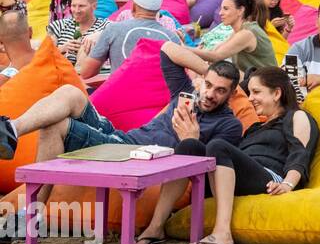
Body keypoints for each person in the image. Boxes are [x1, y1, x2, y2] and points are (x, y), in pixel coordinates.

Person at [0, 60, 243, 211]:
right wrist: (207, 67)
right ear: (201, 81)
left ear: (231, 94)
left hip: (133, 157)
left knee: (55, 126)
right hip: (122, 138)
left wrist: (191, 137)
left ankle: (31, 215)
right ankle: (11, 130)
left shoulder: (229, 124)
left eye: (220, 90)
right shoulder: (184, 92)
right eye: (208, 85)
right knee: (70, 92)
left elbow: (209, 165)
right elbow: (168, 50)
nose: (211, 94)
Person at [162, 67, 318, 244]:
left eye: (256, 92)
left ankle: (222, 232)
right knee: (190, 146)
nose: (250, 98)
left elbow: (299, 153)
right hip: (241, 178)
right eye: (250, 92)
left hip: (271, 179)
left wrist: (288, 183)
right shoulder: (256, 127)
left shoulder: (296, 116)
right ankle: (155, 227)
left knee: (218, 146)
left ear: (277, 93)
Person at [165, 0, 276, 81]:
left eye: (226, 9)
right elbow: (215, 51)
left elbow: (216, 55)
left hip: (265, 84)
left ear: (240, 10)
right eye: (221, 8)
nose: (220, 13)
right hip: (254, 79)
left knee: (218, 72)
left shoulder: (247, 33)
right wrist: (187, 47)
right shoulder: (238, 31)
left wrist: (183, 49)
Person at [77, 0, 180, 78]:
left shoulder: (113, 29)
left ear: (134, 6)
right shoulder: (172, 38)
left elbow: (86, 72)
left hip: (120, 94)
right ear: (158, 9)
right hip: (160, 96)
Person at [45, 0, 106, 65]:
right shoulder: (59, 25)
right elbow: (43, 55)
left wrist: (99, 35)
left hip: (91, 75)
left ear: (94, 6)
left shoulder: (106, 27)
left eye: (81, 6)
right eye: (73, 5)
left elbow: (118, 32)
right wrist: (62, 48)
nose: (76, 10)